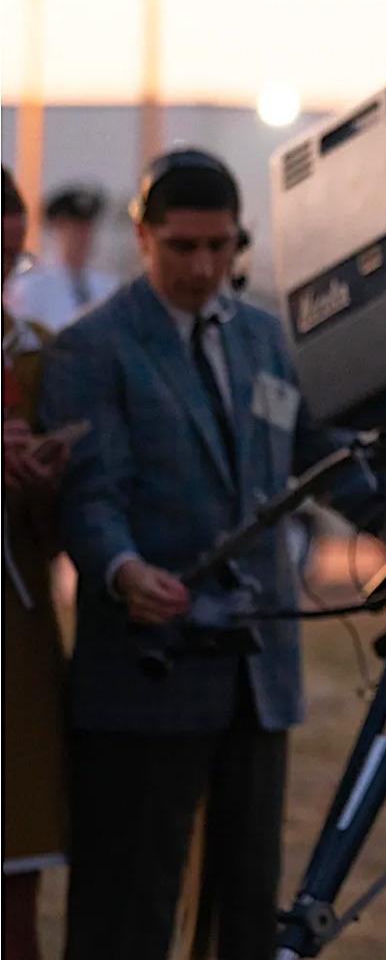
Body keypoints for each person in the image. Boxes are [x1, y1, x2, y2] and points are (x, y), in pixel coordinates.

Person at [37, 147, 386, 960]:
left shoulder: (268, 341)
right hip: (145, 669)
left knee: (245, 904)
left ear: (242, 242)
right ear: (143, 236)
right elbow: (91, 495)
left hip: (254, 675)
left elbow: (321, 454)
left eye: (219, 247)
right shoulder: (93, 350)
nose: (202, 266)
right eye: (182, 247)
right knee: (129, 909)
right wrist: (124, 572)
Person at [3, 166, 72, 960]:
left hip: (15, 638)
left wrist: (50, 482)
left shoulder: (35, 356)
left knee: (16, 874)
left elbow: (54, 537)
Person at [9, 183, 119, 332]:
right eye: (73, 229)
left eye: (86, 228)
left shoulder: (109, 288)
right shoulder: (31, 288)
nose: (82, 237)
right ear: (56, 229)